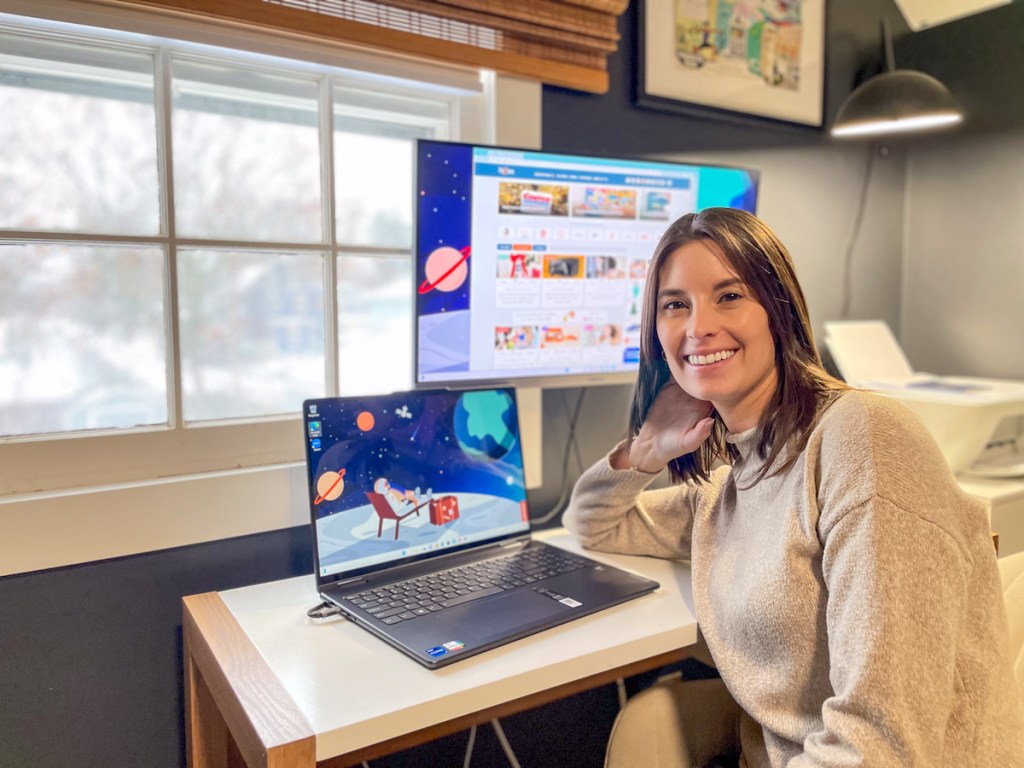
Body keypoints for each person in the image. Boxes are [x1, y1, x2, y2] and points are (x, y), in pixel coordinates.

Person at [564, 208, 1024, 767]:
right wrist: (645, 450)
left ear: (778, 311)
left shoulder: (861, 439)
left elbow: (880, 746)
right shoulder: (729, 483)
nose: (697, 326)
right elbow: (593, 522)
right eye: (675, 304)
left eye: (729, 296)